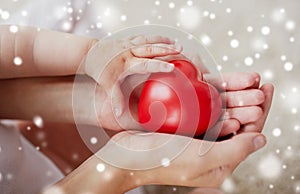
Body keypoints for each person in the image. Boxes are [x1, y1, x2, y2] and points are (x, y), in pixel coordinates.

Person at [0, 25, 274, 194]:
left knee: (71, 126)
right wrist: (122, 170)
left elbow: (21, 47)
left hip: (30, 157)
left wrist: (89, 58)